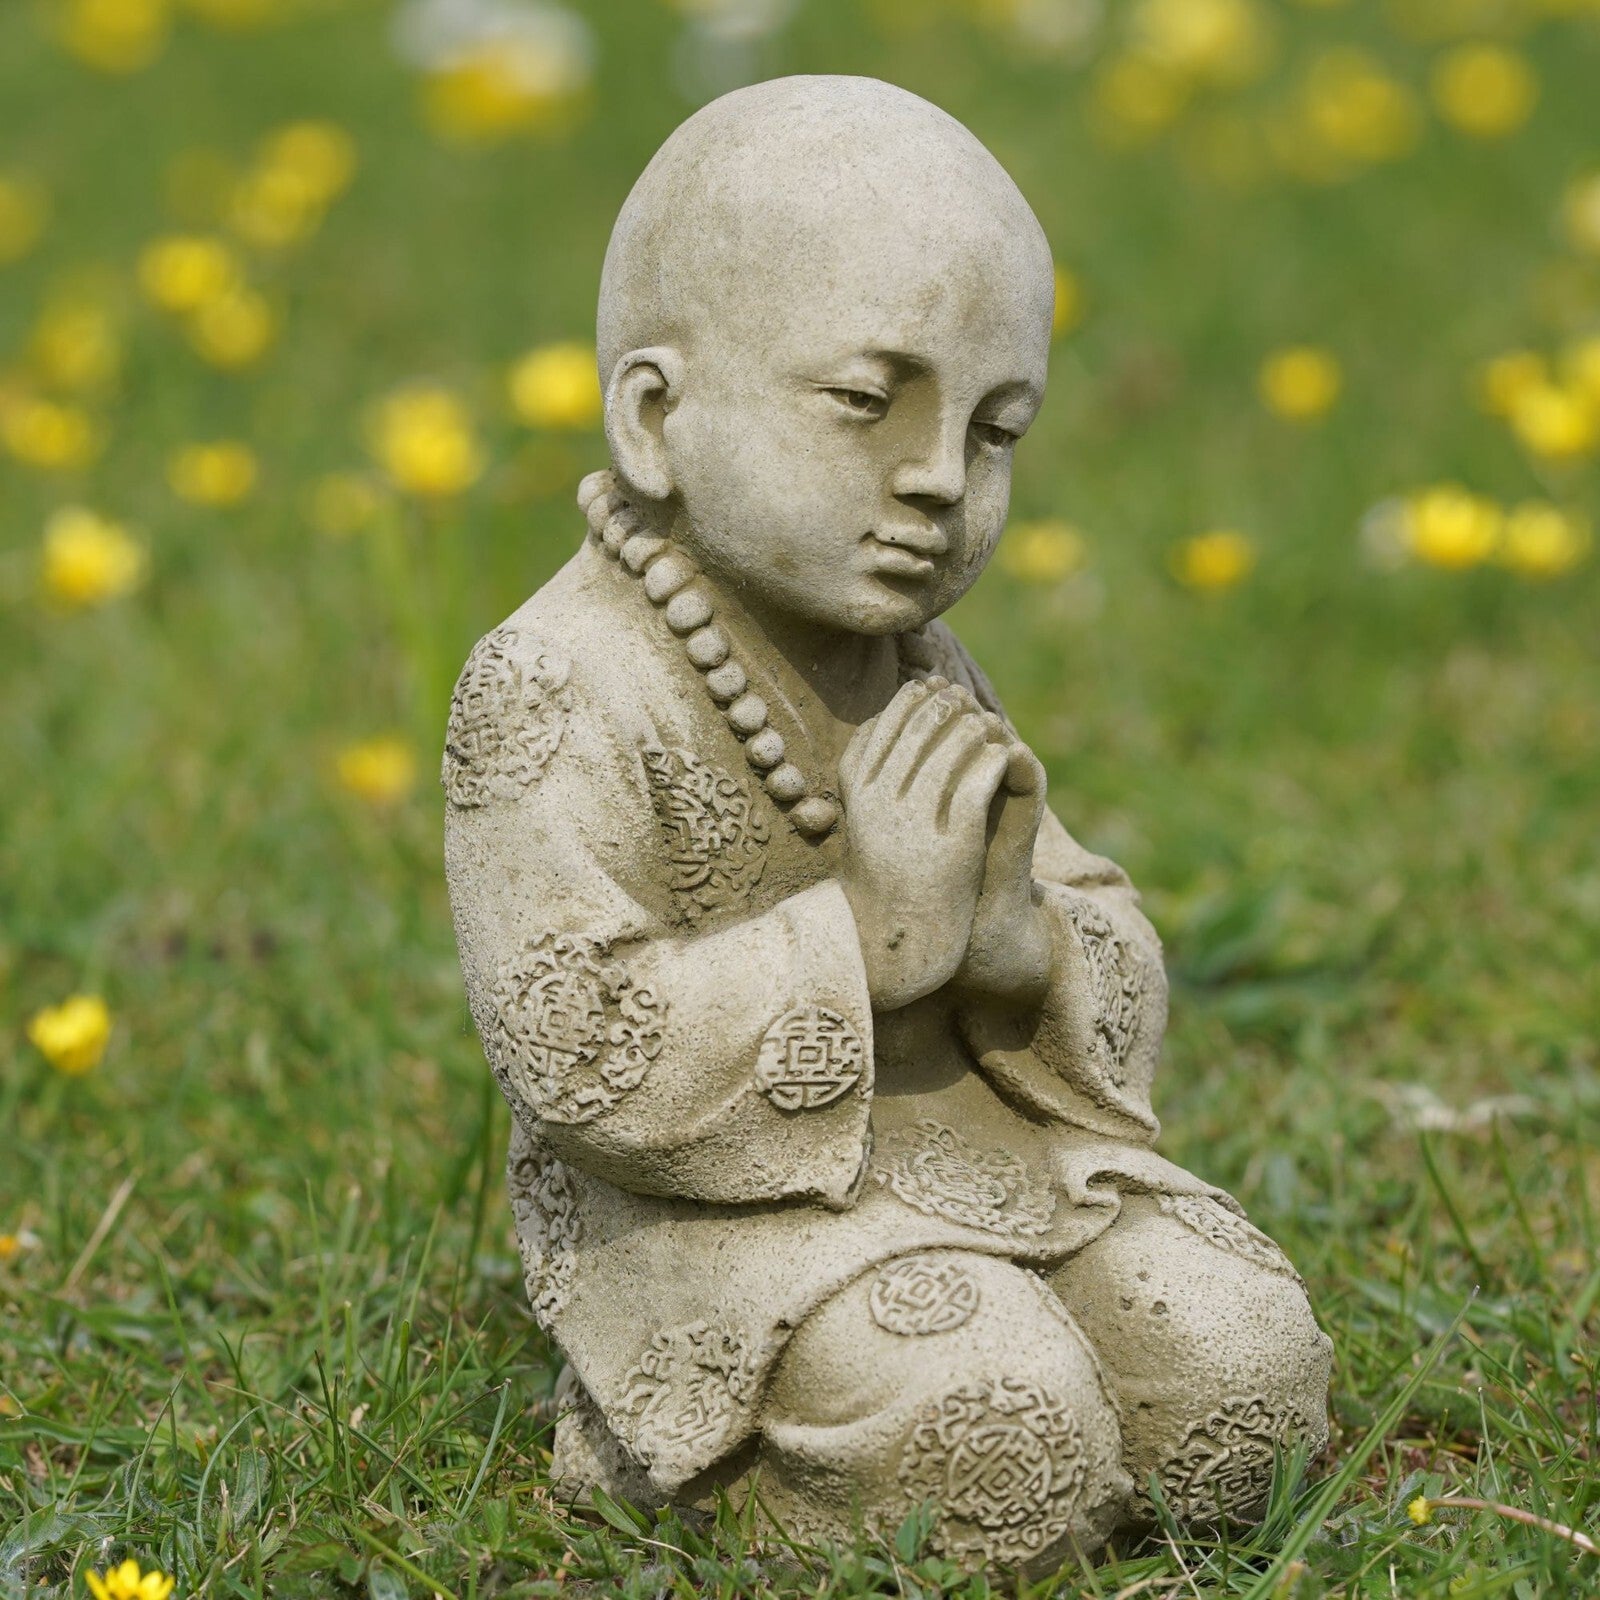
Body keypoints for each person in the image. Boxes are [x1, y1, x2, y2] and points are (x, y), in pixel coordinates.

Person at [443, 74, 1332, 1572]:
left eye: (996, 432)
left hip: (976, 1159)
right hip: (710, 1231)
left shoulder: (918, 664)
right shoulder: (551, 685)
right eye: (868, 403)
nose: (937, 481)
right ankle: (667, 1459)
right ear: (657, 416)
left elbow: (1087, 918)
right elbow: (571, 1045)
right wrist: (863, 942)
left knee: (1247, 1367)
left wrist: (1014, 947)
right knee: (998, 1425)